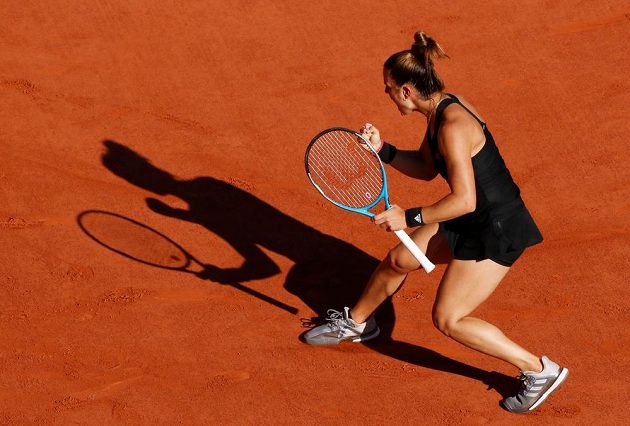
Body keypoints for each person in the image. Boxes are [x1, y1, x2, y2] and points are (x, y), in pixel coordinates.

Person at [303, 31, 568, 413]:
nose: (387, 94)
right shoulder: (439, 110)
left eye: (389, 88)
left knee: (449, 318)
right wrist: (384, 151)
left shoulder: (453, 126)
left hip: (495, 229)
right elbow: (428, 169)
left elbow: (464, 199)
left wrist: (407, 216)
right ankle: (358, 323)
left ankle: (538, 370)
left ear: (407, 90)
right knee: (400, 259)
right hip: (471, 217)